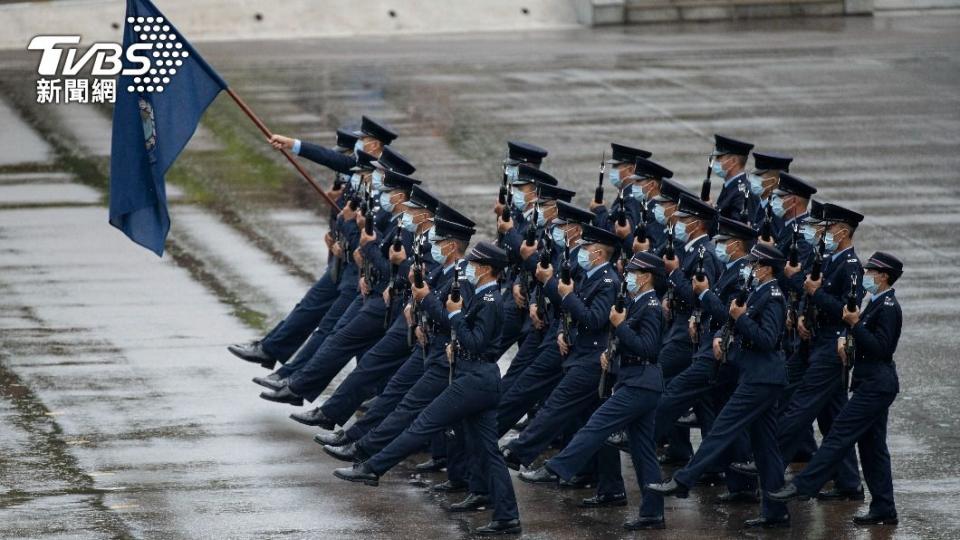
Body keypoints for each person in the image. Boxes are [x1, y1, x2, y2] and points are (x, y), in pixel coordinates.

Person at [332, 242, 522, 536]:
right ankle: (508, 516)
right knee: (487, 451)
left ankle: (371, 468)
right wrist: (454, 344)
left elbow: (477, 342)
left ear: (485, 270)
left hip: (474, 381)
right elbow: (472, 341)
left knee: (421, 424)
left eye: (474, 264)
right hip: (476, 377)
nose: (469, 268)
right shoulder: (485, 296)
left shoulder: (492, 301)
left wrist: (456, 317)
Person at [648, 243, 791, 529]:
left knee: (721, 429)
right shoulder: (759, 291)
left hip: (762, 378)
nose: (750, 268)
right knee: (765, 447)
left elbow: (766, 339)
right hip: (759, 376)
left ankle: (683, 480)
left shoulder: (773, 296)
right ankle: (776, 512)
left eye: (754, 264)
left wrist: (741, 319)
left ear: (765, 269)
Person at [768, 251, 903, 527]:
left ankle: (804, 486)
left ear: (885, 276)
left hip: (877, 385)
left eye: (872, 273)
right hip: (871, 382)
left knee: (840, 433)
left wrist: (854, 326)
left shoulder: (888, 306)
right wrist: (847, 335)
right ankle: (884, 507)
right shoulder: (876, 303)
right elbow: (859, 331)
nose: (867, 276)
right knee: (873, 448)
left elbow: (882, 348)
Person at [543, 251, 667, 530]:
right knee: (643, 451)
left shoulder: (651, 306)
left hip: (640, 383)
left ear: (646, 277)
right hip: (638, 380)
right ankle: (653, 512)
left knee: (596, 425)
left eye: (634, 272)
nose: (628, 277)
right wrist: (614, 353)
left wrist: (620, 327)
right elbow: (633, 342)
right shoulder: (639, 302)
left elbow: (649, 348)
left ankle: (559, 467)